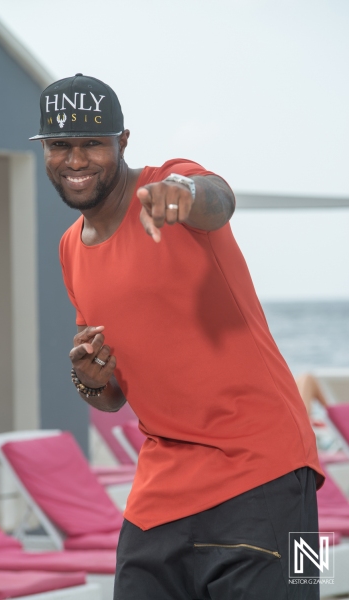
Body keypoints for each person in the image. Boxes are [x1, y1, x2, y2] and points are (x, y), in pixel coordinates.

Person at [31, 74, 324, 600]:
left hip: (271, 471)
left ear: (121, 143)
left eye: (92, 143)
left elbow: (219, 198)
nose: (75, 160)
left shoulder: (170, 182)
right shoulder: (69, 249)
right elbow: (109, 396)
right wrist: (88, 378)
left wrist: (182, 194)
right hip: (162, 489)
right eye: (60, 145)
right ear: (45, 151)